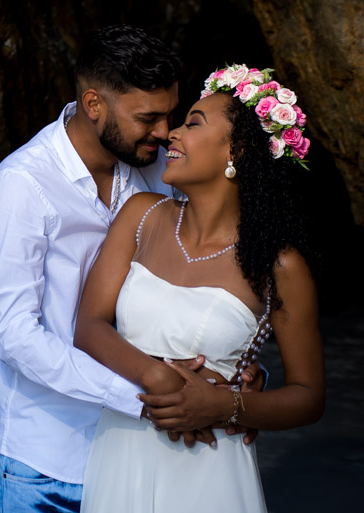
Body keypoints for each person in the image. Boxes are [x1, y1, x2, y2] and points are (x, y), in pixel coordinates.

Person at [0, 26, 248, 512]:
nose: (165, 133)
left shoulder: (158, 173)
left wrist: (233, 373)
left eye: (171, 114)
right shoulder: (21, 187)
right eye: (148, 118)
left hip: (140, 458)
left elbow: (195, 279)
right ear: (93, 103)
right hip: (43, 463)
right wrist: (144, 390)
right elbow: (13, 335)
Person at [74, 64, 325, 512]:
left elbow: (308, 397)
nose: (170, 134)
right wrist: (160, 377)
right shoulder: (141, 216)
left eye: (192, 124)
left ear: (237, 150)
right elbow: (89, 326)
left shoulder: (278, 264)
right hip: (121, 452)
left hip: (211, 463)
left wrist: (223, 406)